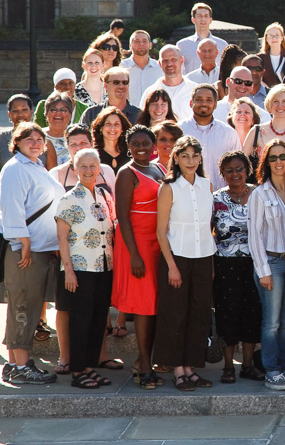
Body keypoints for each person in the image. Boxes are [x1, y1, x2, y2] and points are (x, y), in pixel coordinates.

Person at [0, 122, 65, 385]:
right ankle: (21, 366)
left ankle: (14, 363)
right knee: (23, 304)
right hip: (26, 250)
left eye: (39, 139)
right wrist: (22, 240)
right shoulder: (15, 169)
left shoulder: (35, 167)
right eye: (29, 138)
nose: (35, 143)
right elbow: (11, 207)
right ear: (17, 142)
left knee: (28, 304)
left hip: (41, 247)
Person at [153, 136, 217, 391]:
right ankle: (178, 369)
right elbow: (160, 231)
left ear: (200, 158)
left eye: (194, 155)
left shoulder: (207, 184)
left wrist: (210, 263)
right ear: (176, 159)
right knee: (175, 315)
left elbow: (207, 226)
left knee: (199, 314)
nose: (190, 161)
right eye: (185, 156)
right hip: (177, 258)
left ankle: (191, 368)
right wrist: (171, 266)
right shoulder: (168, 187)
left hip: (203, 258)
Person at [54, 147, 116, 389]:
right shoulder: (69, 199)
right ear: (75, 169)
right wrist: (68, 270)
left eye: (93, 166)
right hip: (80, 269)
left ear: (99, 169)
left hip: (103, 267)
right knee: (80, 320)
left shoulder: (103, 196)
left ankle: (90, 366)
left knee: (99, 319)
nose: (89, 170)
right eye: (83, 166)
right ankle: (78, 370)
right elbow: (61, 238)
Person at [247, 139, 285, 390]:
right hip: (271, 262)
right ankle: (271, 369)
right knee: (271, 321)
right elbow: (254, 234)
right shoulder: (260, 193)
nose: (279, 162)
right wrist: (263, 271)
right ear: (266, 162)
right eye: (273, 158)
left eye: (283, 157)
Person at [112, 125, 166, 388]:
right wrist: (134, 255)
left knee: (154, 305)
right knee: (144, 307)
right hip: (137, 244)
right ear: (128, 146)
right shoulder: (126, 173)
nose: (141, 148)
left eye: (146, 142)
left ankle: (146, 360)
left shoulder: (159, 168)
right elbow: (122, 217)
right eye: (136, 144)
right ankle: (144, 364)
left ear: (153, 144)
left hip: (159, 243)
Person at [211, 151, 264, 383]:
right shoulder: (215, 198)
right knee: (228, 313)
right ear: (223, 173)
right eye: (229, 170)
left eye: (239, 169)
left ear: (247, 170)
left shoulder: (260, 194)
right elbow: (207, 232)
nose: (235, 174)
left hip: (256, 263)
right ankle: (228, 366)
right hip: (225, 265)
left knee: (253, 313)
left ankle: (249, 365)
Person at [179, 84, 241, 190]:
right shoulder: (179, 130)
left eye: (208, 100)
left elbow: (238, 166)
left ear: (215, 104)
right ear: (191, 103)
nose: (204, 103)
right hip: (186, 194)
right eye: (199, 99)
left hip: (221, 197)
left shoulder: (229, 133)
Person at [0, 94, 55, 172]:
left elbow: (52, 176)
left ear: (31, 112)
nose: (20, 114)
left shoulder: (45, 143)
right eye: (15, 111)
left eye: (24, 110)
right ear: (9, 114)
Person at [243, 84, 285, 159]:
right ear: (269, 105)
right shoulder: (256, 131)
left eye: (284, 101)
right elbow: (242, 161)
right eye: (275, 101)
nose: (280, 105)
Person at [144, 45, 199, 117]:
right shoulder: (150, 92)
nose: (169, 64)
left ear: (182, 60)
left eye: (173, 60)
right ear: (160, 64)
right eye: (165, 61)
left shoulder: (196, 91)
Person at [177, 2, 227, 75]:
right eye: (199, 16)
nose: (203, 19)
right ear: (193, 20)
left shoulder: (222, 45)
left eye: (206, 16)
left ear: (210, 20)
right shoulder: (182, 45)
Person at [123, 30, 163, 107]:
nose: (141, 44)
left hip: (154, 114)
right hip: (129, 115)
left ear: (150, 45)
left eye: (144, 41)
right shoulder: (122, 67)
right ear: (130, 45)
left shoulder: (159, 68)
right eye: (137, 41)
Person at [92, 107, 131, 174]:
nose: (112, 128)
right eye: (108, 124)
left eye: (117, 124)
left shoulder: (129, 154)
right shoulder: (93, 155)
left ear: (122, 129)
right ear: (101, 128)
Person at [259, 22, 285, 88]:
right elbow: (259, 80)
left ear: (282, 38)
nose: (274, 38)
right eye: (270, 36)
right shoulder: (259, 58)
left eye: (277, 35)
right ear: (266, 39)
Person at [42, 92, 74, 165]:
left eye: (63, 110)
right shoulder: (37, 136)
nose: (58, 113)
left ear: (70, 114)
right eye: (53, 110)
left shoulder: (77, 136)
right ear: (46, 113)